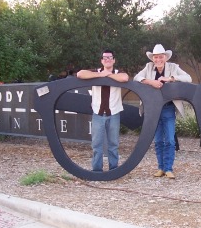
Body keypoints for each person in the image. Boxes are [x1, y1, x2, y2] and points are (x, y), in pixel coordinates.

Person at [134, 44, 192, 179]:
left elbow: (188, 78)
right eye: (155, 57)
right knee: (158, 140)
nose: (158, 59)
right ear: (153, 58)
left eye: (160, 56)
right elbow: (137, 78)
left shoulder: (173, 67)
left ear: (165, 57)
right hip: (153, 110)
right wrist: (150, 81)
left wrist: (170, 78)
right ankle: (160, 168)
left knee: (170, 140)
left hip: (168, 108)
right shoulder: (148, 67)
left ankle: (169, 168)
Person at [77, 49, 129, 172]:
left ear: (114, 60)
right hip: (98, 113)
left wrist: (108, 75)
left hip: (114, 113)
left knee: (113, 144)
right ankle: (96, 170)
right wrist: (101, 75)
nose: (107, 59)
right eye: (105, 58)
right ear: (101, 60)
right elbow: (80, 74)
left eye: (110, 57)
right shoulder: (96, 72)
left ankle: (113, 169)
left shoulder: (117, 73)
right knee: (96, 144)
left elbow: (125, 78)